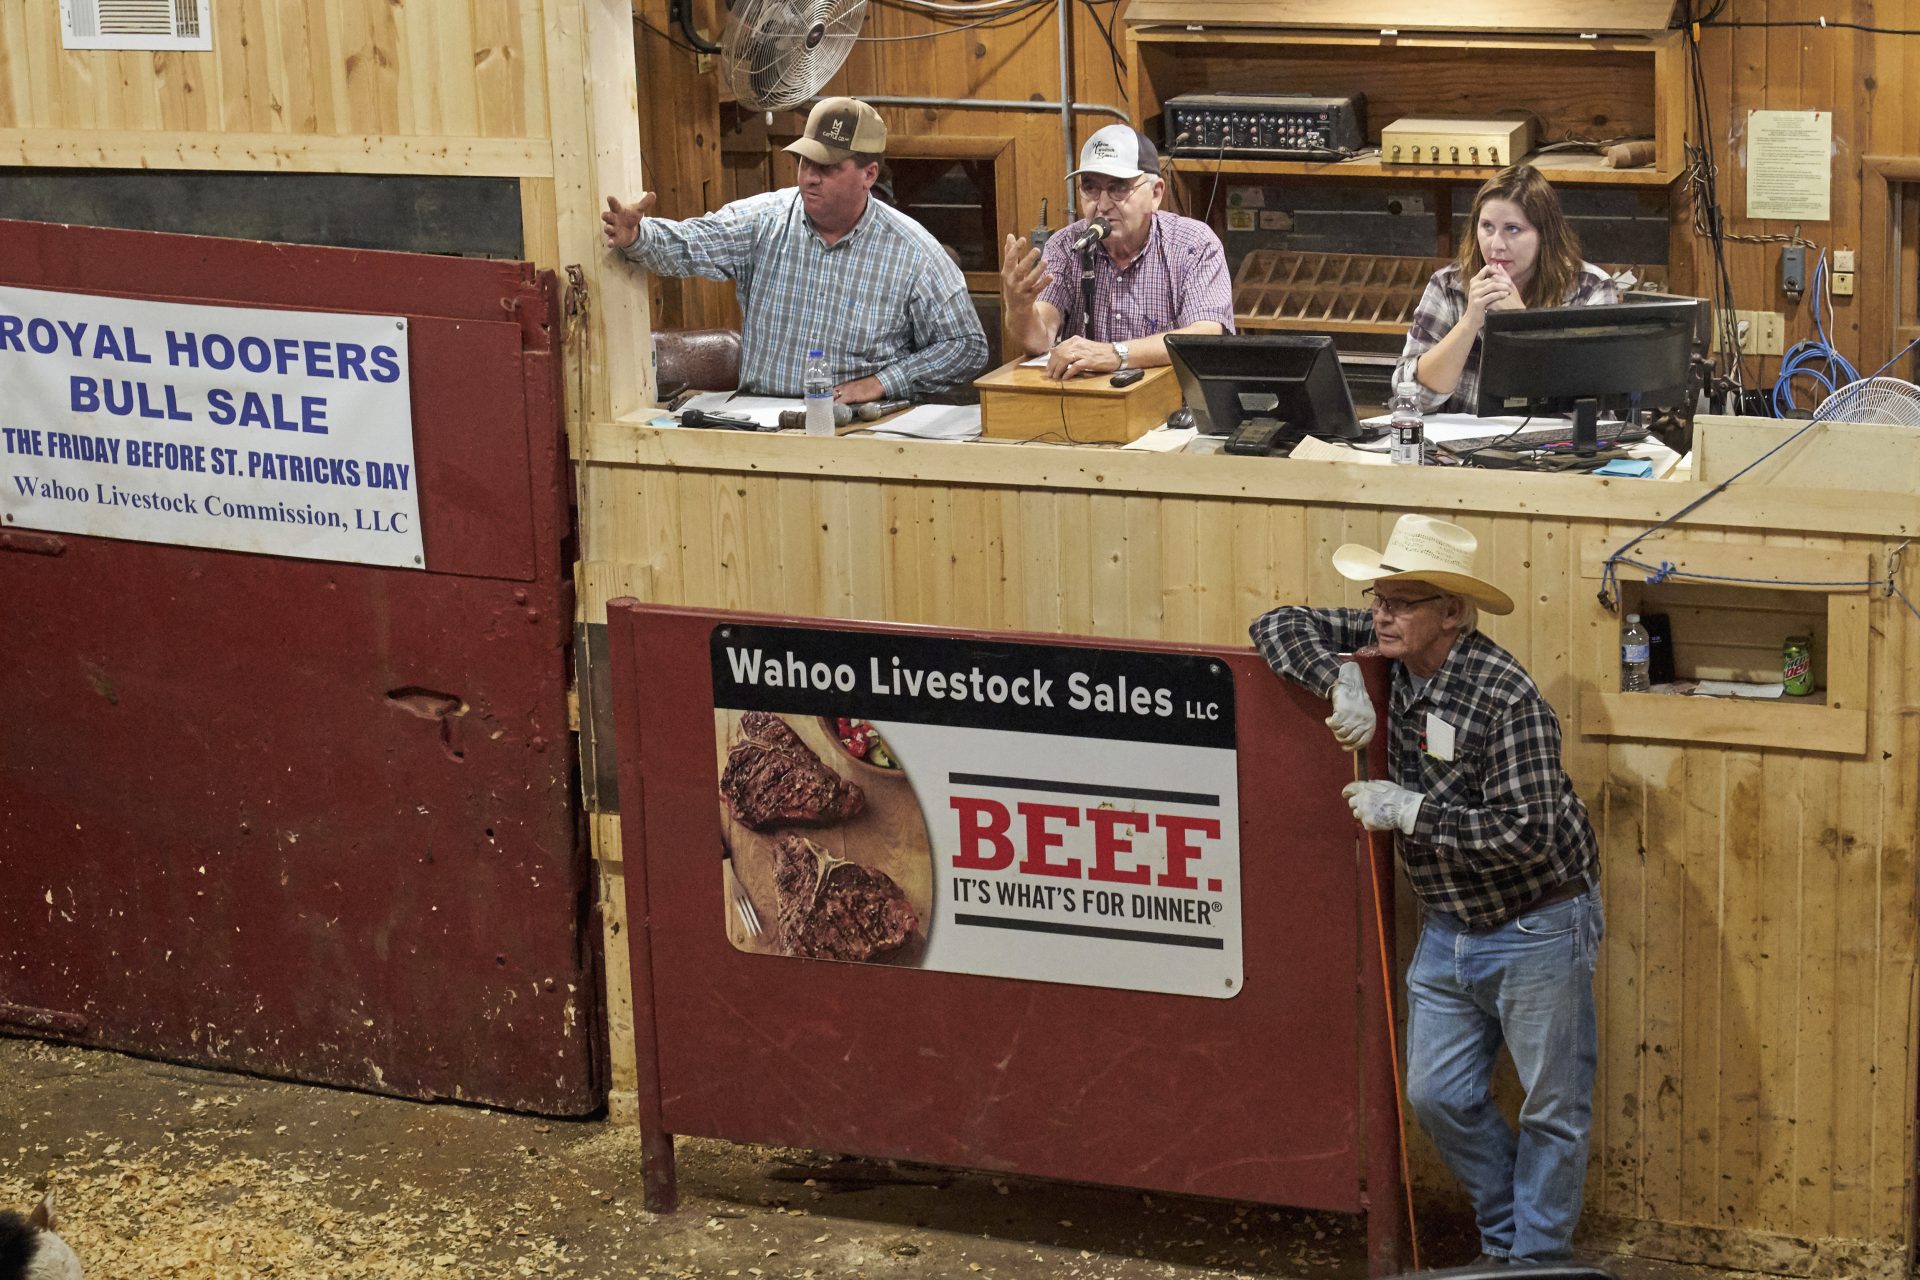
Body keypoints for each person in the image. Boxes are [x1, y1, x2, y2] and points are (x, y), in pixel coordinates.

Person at [1249, 513, 1602, 1266]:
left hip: (1539, 916)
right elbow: (1276, 621)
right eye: (1379, 596)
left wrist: (1412, 810)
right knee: (1437, 1094)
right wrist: (1337, 675)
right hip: (1455, 919)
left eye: (1403, 601)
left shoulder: (1505, 697)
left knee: (1554, 1106)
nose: (1382, 613)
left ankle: (1532, 1258)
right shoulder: (1382, 648)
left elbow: (1530, 832)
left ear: (1452, 614)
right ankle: (1513, 1244)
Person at [602, 97, 987, 404]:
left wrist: (883, 382)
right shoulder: (764, 220)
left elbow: (967, 347)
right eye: (804, 161)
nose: (809, 177)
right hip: (764, 419)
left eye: (828, 167)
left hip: (861, 425)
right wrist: (639, 237)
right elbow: (692, 243)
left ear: (868, 174)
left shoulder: (914, 252)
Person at [999, 124, 1234, 381]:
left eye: (1118, 188)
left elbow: (1206, 333)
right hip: (1090, 403)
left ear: (1155, 193)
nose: (1102, 204)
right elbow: (1040, 338)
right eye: (1090, 188)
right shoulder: (1066, 246)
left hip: (1168, 402)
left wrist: (1117, 354)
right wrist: (1019, 309)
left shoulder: (1193, 244)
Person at [1396, 164, 1619, 414]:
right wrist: (1470, 322)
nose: (1496, 245)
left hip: (1555, 447)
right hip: (1463, 445)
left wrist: (1520, 325)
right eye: (1487, 227)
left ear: (1545, 235)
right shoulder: (1448, 285)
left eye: (1513, 229)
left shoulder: (1591, 289)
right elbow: (1413, 398)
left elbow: (1591, 404)